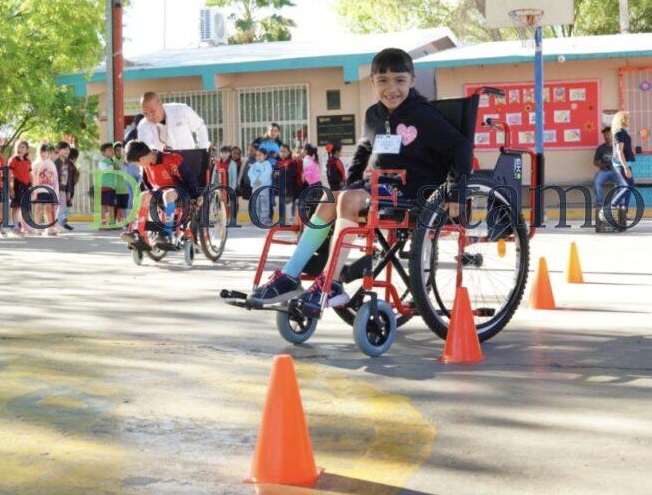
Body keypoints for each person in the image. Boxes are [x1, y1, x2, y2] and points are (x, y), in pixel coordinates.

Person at [243, 48, 471, 315]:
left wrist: (455, 192)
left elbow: (461, 146)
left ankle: (331, 281)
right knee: (330, 197)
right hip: (379, 185)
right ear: (372, 82)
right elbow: (364, 148)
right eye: (383, 81)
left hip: (413, 190)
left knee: (348, 199)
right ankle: (291, 276)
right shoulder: (374, 114)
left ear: (412, 80)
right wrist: (350, 183)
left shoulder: (423, 115)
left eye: (399, 80)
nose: (391, 89)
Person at [123, 140, 200, 249]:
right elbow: (147, 185)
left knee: (167, 194)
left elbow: (189, 177)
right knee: (143, 196)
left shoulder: (172, 159)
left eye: (137, 164)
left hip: (180, 192)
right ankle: (139, 234)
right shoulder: (146, 166)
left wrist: (196, 196)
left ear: (142, 159)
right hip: (160, 192)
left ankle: (167, 234)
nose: (138, 166)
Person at [135, 92, 210, 151]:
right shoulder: (143, 125)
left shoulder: (181, 109)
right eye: (145, 113)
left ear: (160, 103)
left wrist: (202, 150)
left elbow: (200, 126)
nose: (150, 116)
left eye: (152, 111)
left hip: (188, 158)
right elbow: (145, 149)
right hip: (163, 165)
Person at [609, 110, 637, 225]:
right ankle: (613, 205)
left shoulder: (623, 132)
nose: (628, 120)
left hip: (626, 164)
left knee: (627, 187)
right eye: (627, 118)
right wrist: (625, 168)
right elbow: (619, 152)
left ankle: (624, 211)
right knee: (627, 186)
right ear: (622, 120)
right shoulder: (618, 133)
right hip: (621, 165)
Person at [31, 143, 60, 236]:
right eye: (42, 152)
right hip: (39, 190)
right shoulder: (35, 164)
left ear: (48, 153)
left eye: (45, 152)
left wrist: (56, 191)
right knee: (38, 208)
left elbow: (55, 178)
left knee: (49, 209)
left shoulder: (51, 164)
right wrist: (33, 191)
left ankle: (50, 227)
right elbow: (33, 177)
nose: (43, 154)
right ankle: (37, 227)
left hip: (49, 190)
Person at [8, 139, 33, 236]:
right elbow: (9, 175)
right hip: (17, 185)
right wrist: (10, 188)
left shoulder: (28, 161)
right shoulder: (13, 160)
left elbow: (30, 174)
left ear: (27, 150)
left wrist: (33, 185)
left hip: (26, 186)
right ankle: (15, 226)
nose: (20, 149)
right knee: (16, 207)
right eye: (18, 147)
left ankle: (25, 227)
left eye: (22, 147)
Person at [247, 147, 273, 224]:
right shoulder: (254, 165)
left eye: (260, 155)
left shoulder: (267, 164)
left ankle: (265, 217)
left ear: (265, 156)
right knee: (255, 202)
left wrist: (260, 181)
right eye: (257, 155)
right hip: (255, 187)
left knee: (264, 202)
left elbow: (267, 174)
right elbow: (250, 173)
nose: (258, 157)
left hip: (264, 187)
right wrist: (254, 180)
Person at [592, 127, 616, 207]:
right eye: (605, 135)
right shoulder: (601, 148)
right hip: (604, 171)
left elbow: (624, 160)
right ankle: (599, 203)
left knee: (622, 183)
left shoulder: (618, 147)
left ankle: (619, 203)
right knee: (596, 182)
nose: (607, 136)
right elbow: (595, 162)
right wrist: (603, 166)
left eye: (608, 134)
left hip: (616, 171)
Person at [98, 142, 117, 228]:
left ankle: (112, 222)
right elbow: (104, 170)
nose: (112, 151)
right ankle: (103, 222)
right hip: (104, 187)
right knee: (104, 205)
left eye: (112, 150)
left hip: (112, 187)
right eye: (109, 150)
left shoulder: (112, 161)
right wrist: (113, 167)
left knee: (112, 205)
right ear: (103, 153)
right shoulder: (103, 162)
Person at [54, 141, 71, 230]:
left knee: (63, 206)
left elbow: (68, 177)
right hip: (57, 188)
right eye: (64, 149)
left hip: (63, 188)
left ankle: (58, 224)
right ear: (58, 150)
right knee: (57, 206)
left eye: (68, 149)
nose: (67, 151)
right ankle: (54, 224)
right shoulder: (56, 162)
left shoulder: (67, 162)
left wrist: (68, 190)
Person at [112, 142, 129, 223]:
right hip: (115, 189)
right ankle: (113, 223)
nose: (119, 152)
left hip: (126, 189)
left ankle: (127, 223)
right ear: (114, 151)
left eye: (120, 150)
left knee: (126, 207)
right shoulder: (112, 160)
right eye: (117, 150)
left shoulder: (126, 160)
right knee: (115, 206)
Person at [65, 147, 80, 230]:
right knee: (67, 206)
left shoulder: (67, 164)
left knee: (66, 206)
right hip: (69, 189)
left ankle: (63, 221)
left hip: (68, 188)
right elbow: (70, 179)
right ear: (75, 158)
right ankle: (63, 222)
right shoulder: (71, 166)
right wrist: (69, 192)